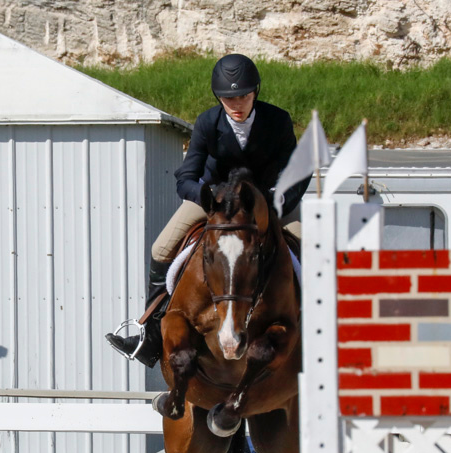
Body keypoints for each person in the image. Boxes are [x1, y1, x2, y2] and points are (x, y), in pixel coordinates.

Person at [106, 53, 310, 367]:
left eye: (243, 96)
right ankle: (151, 335)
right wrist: (210, 198)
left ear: (255, 92)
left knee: (312, 249)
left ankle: (319, 331)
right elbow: (185, 177)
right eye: (229, 98)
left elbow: (297, 172)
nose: (237, 104)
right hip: (217, 203)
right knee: (161, 248)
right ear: (218, 97)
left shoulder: (277, 120)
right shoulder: (207, 122)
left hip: (267, 203)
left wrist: (275, 202)